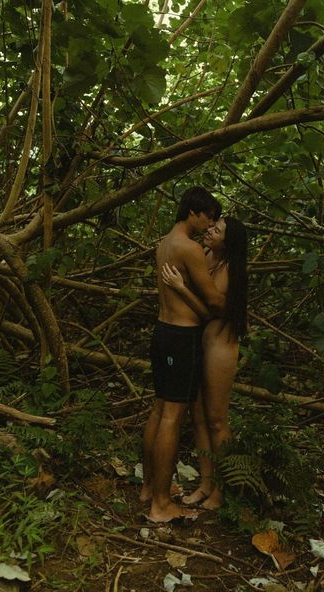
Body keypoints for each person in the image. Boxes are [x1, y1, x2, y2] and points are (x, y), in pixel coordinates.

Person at [139, 186, 225, 523]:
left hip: (163, 332)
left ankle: (149, 487)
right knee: (173, 415)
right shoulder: (188, 249)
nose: (210, 225)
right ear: (193, 212)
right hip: (181, 337)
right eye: (209, 217)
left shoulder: (164, 242)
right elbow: (215, 303)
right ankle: (161, 503)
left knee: (160, 409)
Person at [162, 216, 248, 510]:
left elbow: (213, 310)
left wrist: (180, 287)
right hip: (198, 339)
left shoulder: (230, 268)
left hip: (220, 344)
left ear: (229, 241)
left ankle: (224, 489)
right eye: (211, 226)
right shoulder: (207, 254)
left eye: (217, 230)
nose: (209, 230)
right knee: (197, 416)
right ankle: (206, 484)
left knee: (216, 419)